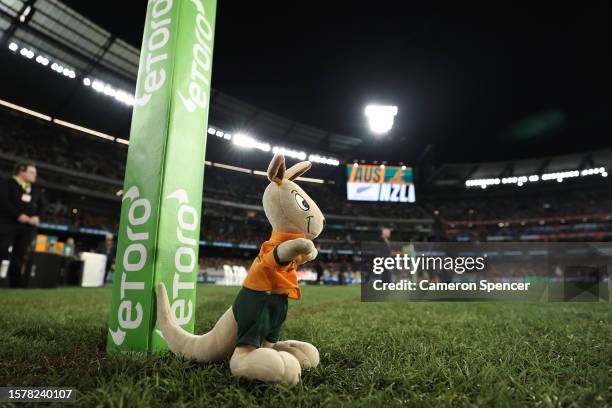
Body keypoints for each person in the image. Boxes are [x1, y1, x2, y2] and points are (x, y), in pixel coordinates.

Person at [0, 162, 45, 287]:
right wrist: (18, 215)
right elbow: (3, 202)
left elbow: (43, 205)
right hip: (7, 224)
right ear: (21, 171)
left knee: (19, 255)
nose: (34, 175)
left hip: (26, 228)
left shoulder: (34, 188)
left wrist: (37, 216)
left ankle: (15, 284)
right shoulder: (8, 184)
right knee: (2, 250)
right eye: (32, 172)